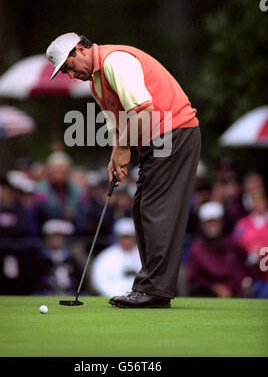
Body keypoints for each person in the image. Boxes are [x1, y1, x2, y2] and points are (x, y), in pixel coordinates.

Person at [46, 32, 201, 308]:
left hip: (175, 131)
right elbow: (119, 124)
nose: (71, 75)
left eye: (69, 68)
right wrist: (115, 157)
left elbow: (143, 110)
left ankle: (155, 290)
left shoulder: (113, 62)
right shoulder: (96, 83)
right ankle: (152, 287)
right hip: (159, 137)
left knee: (154, 209)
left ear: (80, 50)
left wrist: (124, 150)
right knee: (141, 206)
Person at [188, 202, 247, 297]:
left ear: (222, 222)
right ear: (202, 224)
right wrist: (214, 288)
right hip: (205, 296)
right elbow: (195, 278)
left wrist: (236, 286)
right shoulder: (196, 248)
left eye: (215, 221)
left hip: (235, 294)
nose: (212, 225)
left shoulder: (233, 245)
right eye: (209, 222)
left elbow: (240, 270)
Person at [90, 218, 141, 297]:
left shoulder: (144, 256)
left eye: (130, 237)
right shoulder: (105, 257)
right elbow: (99, 281)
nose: (127, 241)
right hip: (112, 296)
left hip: (139, 298)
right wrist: (116, 294)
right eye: (124, 237)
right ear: (118, 237)